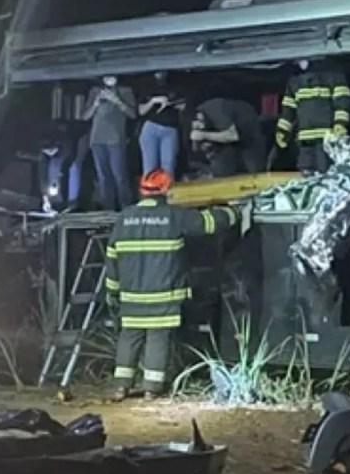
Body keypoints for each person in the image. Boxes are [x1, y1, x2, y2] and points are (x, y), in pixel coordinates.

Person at [105, 168, 252, 400]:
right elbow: (209, 223)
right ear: (166, 191)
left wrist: (112, 293)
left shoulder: (123, 219)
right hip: (163, 298)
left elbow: (112, 258)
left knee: (129, 337)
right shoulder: (174, 216)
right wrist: (234, 211)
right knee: (157, 339)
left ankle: (120, 387)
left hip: (131, 298)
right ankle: (152, 389)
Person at [273, 59, 350, 173]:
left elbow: (342, 101)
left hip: (326, 140)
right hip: (305, 141)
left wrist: (340, 123)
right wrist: (282, 131)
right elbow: (288, 109)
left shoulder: (332, 74)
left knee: (326, 173)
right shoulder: (294, 80)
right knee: (306, 173)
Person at [84, 75, 136, 210]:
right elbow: (85, 116)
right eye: (106, 76)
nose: (109, 78)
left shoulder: (125, 91)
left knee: (119, 174)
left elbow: (132, 114)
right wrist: (95, 103)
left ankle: (126, 205)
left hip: (116, 138)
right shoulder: (95, 91)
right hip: (97, 139)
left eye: (112, 76)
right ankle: (108, 208)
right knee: (102, 176)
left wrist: (117, 101)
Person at [190, 98, 266, 177]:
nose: (201, 127)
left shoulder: (218, 110)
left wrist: (204, 135)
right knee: (221, 168)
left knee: (254, 167)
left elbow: (233, 136)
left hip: (246, 127)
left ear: (199, 115)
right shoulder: (194, 122)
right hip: (227, 137)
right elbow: (197, 148)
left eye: (199, 124)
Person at [138, 71, 186, 178]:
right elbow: (141, 111)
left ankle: (166, 188)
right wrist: (153, 101)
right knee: (150, 165)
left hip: (170, 128)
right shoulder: (147, 86)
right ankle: (151, 188)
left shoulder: (176, 86)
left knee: (168, 164)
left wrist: (175, 105)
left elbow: (183, 105)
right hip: (151, 127)